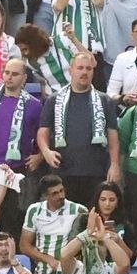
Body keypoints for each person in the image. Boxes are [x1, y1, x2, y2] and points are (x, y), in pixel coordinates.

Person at [35, 52, 121, 206]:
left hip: (96, 171)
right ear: (71, 71)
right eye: (80, 68)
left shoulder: (104, 100)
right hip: (63, 171)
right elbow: (43, 132)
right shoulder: (54, 100)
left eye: (88, 68)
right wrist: (46, 152)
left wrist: (114, 164)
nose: (84, 72)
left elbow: (113, 135)